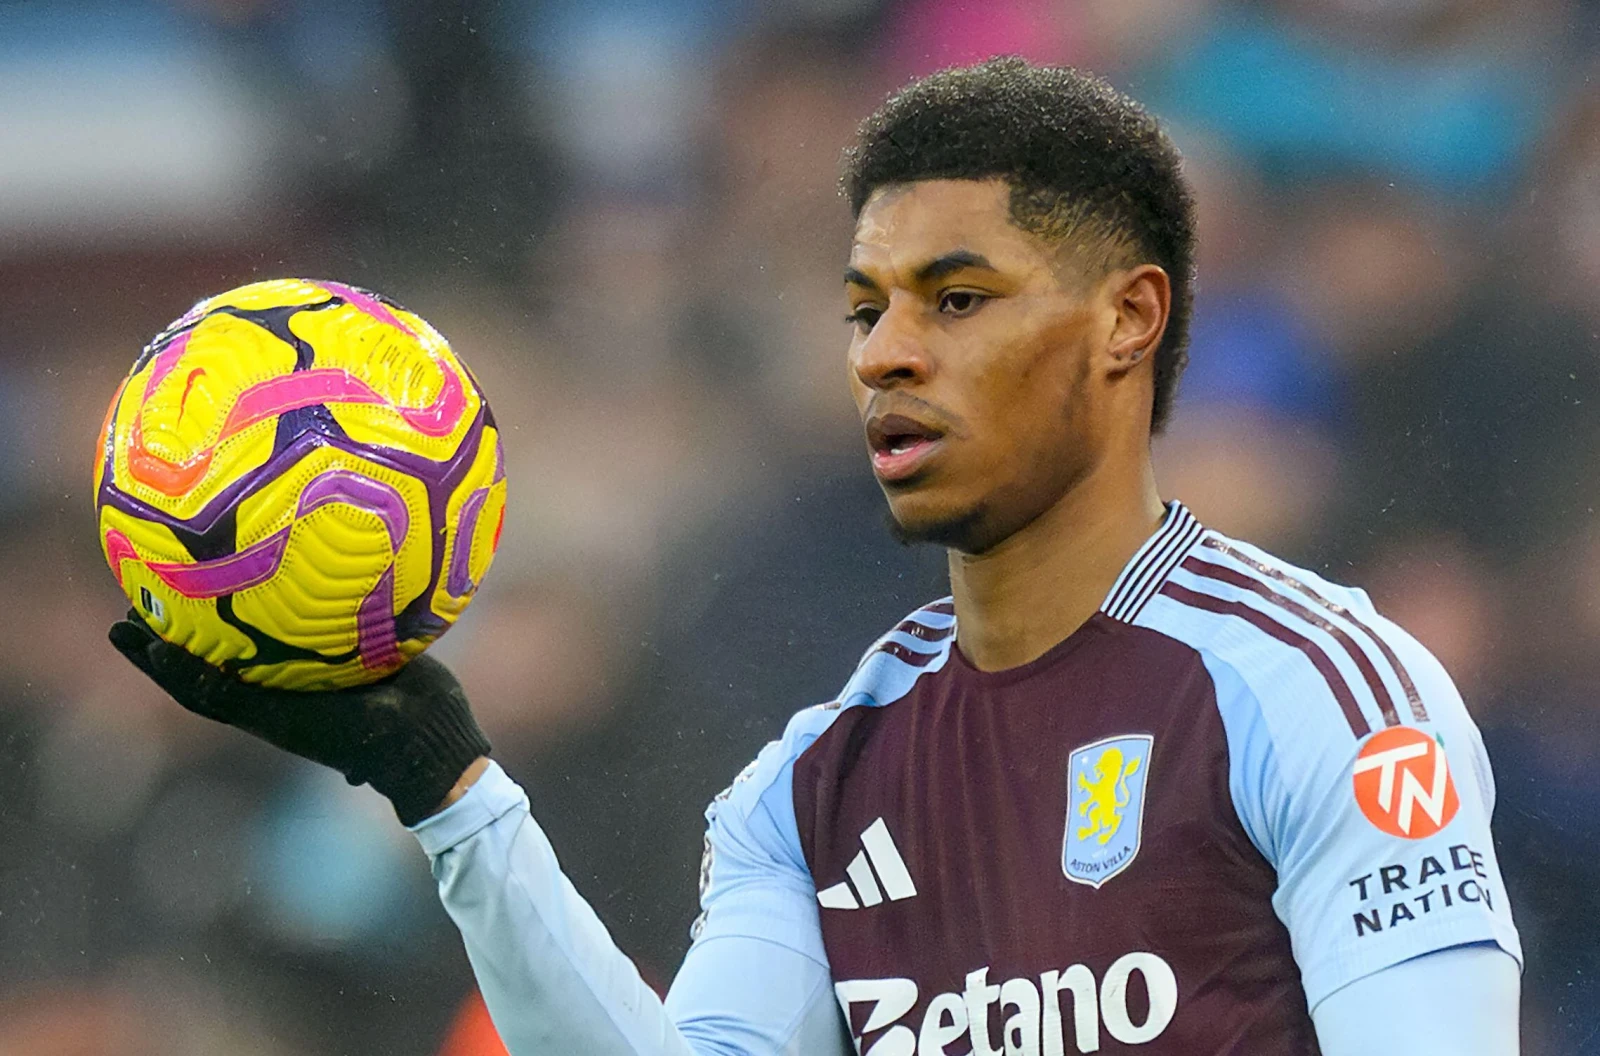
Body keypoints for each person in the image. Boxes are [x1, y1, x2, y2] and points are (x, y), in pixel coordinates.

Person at [109, 59, 1522, 1055]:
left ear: (1127, 325)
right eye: (866, 309)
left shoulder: (1322, 690)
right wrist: (448, 789)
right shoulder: (818, 776)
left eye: (957, 299)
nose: (891, 353)